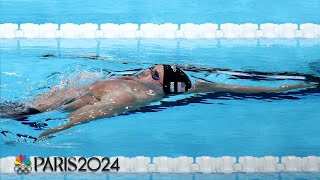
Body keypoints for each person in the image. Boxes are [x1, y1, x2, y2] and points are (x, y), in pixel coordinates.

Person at [1, 64, 317, 139]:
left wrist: (49, 133)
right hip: (30, 107)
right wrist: (280, 88)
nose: (146, 68)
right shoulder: (150, 83)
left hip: (26, 117)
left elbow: (92, 115)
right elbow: (212, 85)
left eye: (152, 69)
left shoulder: (129, 92)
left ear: (156, 80)